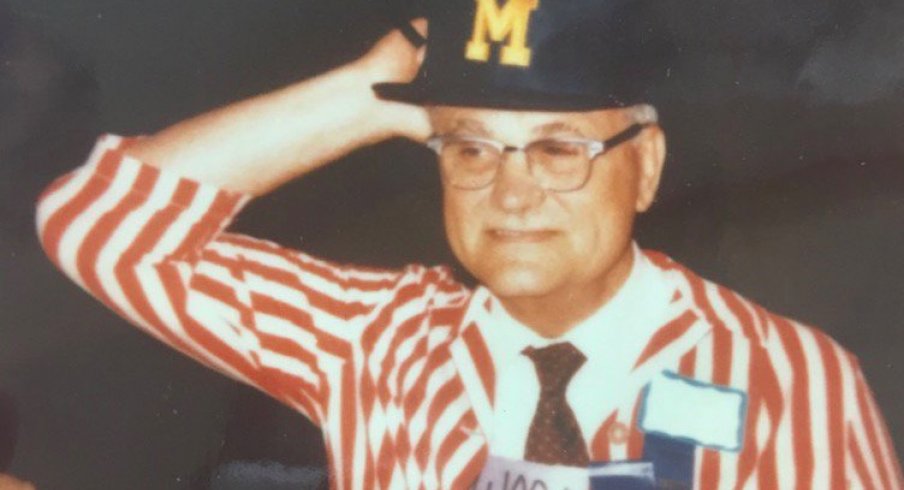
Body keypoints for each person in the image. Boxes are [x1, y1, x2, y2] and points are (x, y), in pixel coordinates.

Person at [35, 0, 902, 488]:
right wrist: (367, 99)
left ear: (644, 167)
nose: (512, 192)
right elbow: (100, 224)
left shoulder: (786, 375)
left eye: (561, 148)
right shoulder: (372, 337)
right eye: (472, 148)